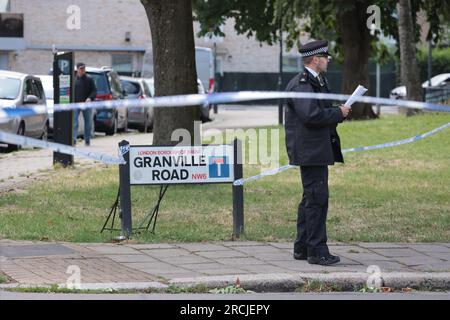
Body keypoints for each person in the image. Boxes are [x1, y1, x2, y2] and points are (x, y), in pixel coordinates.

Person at [284, 40, 351, 266]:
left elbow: (320, 112)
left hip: (316, 149)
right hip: (309, 151)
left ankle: (302, 247)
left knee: (310, 198)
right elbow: (311, 116)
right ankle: (317, 251)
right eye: (325, 56)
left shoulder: (316, 81)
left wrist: (338, 113)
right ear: (315, 59)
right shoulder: (302, 84)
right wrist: (337, 113)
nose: (328, 59)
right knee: (317, 199)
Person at [74, 62, 96, 146]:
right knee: (74, 123)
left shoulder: (89, 79)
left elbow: (94, 91)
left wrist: (90, 98)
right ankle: (73, 140)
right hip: (76, 104)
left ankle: (87, 140)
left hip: (87, 104)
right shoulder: (74, 80)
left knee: (88, 123)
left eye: (83, 68)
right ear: (77, 69)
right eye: (81, 69)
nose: (82, 70)